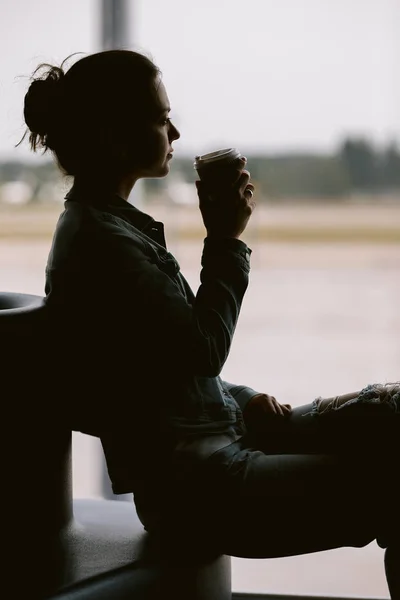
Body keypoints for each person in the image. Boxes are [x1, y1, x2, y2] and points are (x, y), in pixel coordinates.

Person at [20, 50, 399, 597]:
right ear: (113, 135)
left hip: (216, 440)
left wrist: (242, 399)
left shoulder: (106, 230)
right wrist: (224, 241)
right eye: (159, 117)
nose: (174, 129)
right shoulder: (101, 244)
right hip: (198, 490)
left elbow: (159, 365)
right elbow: (200, 351)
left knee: (390, 409)